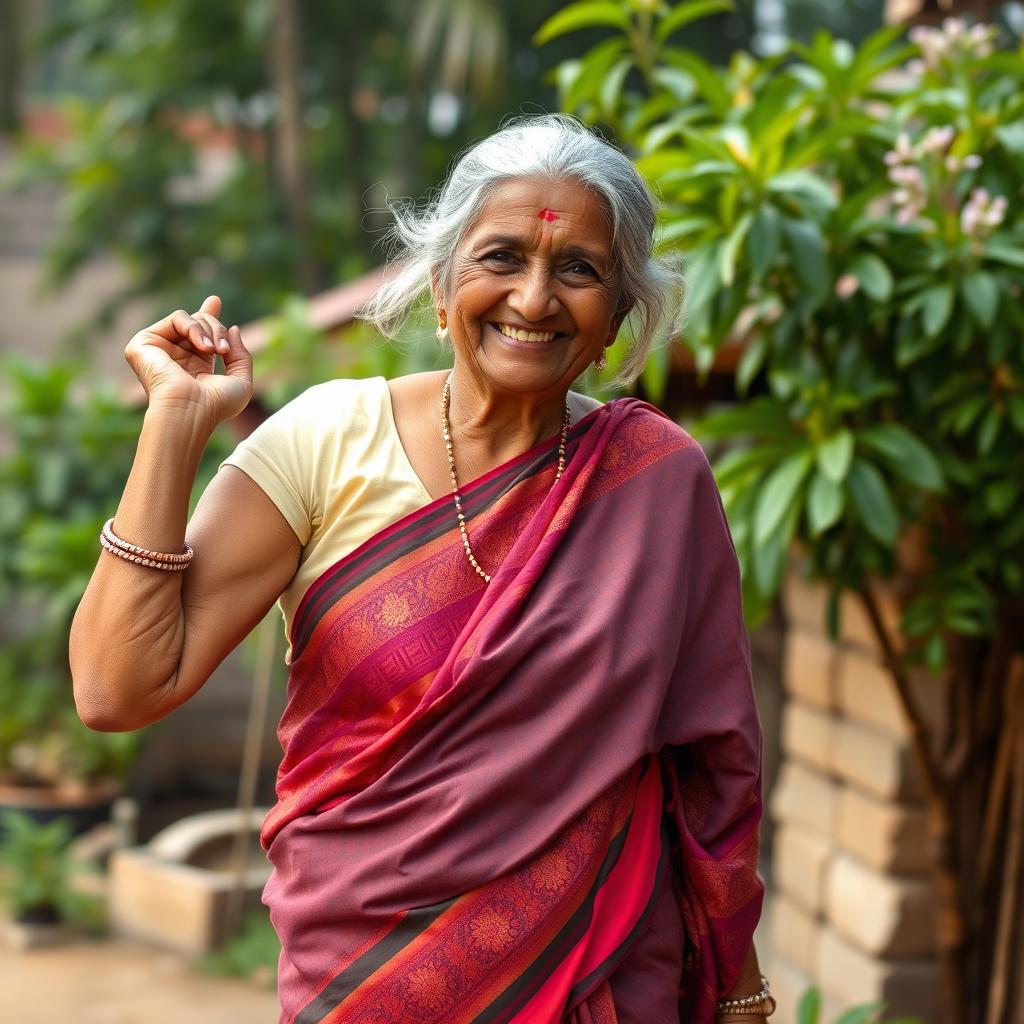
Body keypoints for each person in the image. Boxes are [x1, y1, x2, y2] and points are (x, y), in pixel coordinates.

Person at [70, 114, 771, 1024]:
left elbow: (708, 769)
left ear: (617, 320)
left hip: (595, 979)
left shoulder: (657, 481)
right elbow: (115, 690)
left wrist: (739, 983)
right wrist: (174, 422)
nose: (533, 298)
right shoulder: (327, 441)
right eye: (501, 258)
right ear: (441, 287)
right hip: (363, 980)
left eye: (579, 269)